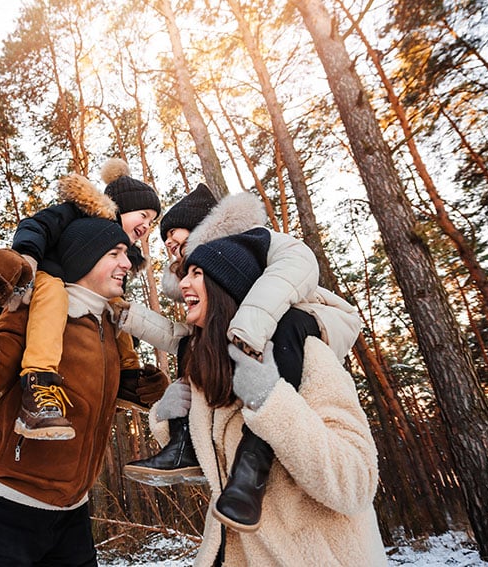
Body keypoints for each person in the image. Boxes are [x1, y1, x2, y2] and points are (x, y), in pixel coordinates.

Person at [0, 217, 168, 567]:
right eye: (114, 253)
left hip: (73, 513)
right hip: (7, 509)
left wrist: (133, 389)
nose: (127, 263)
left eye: (126, 254)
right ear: (84, 257)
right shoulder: (32, 316)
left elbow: (82, 409)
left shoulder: (110, 326)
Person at [119, 188, 362, 531]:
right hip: (242, 333)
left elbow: (297, 265)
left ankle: (254, 463)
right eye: (167, 244)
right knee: (194, 343)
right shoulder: (217, 351)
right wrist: (169, 416)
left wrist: (250, 329)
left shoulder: (259, 244)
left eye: (174, 235)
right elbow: (182, 336)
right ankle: (182, 442)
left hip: (302, 319)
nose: (169, 244)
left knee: (283, 329)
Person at [153, 232, 387, 565]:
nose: (183, 285)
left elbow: (357, 483)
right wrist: (167, 415)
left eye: (197, 274)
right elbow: (210, 462)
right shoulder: (211, 373)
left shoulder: (309, 356)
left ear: (227, 286)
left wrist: (272, 402)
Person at [10, 159, 162, 440]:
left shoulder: (123, 258)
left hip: (90, 297)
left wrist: (128, 346)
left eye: (152, 222)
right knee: (53, 295)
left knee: (120, 307)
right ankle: (38, 383)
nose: (147, 225)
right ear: (122, 206)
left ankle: (128, 377)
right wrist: (27, 257)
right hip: (52, 276)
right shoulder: (80, 212)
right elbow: (37, 225)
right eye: (143, 215)